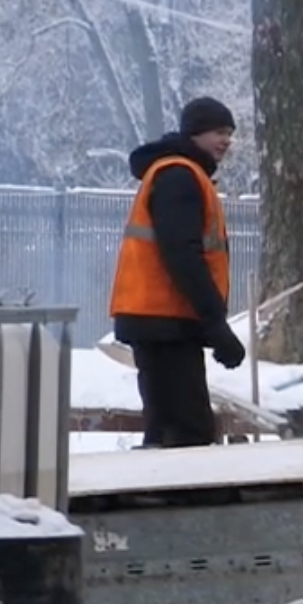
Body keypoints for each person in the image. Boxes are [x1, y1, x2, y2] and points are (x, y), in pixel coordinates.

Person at [111, 96, 246, 448]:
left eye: (230, 133)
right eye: (219, 131)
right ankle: (181, 496)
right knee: (188, 432)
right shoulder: (180, 177)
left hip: (159, 318)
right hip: (165, 319)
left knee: (167, 428)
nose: (227, 141)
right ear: (195, 133)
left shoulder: (178, 174)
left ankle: (157, 491)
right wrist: (214, 322)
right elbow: (183, 255)